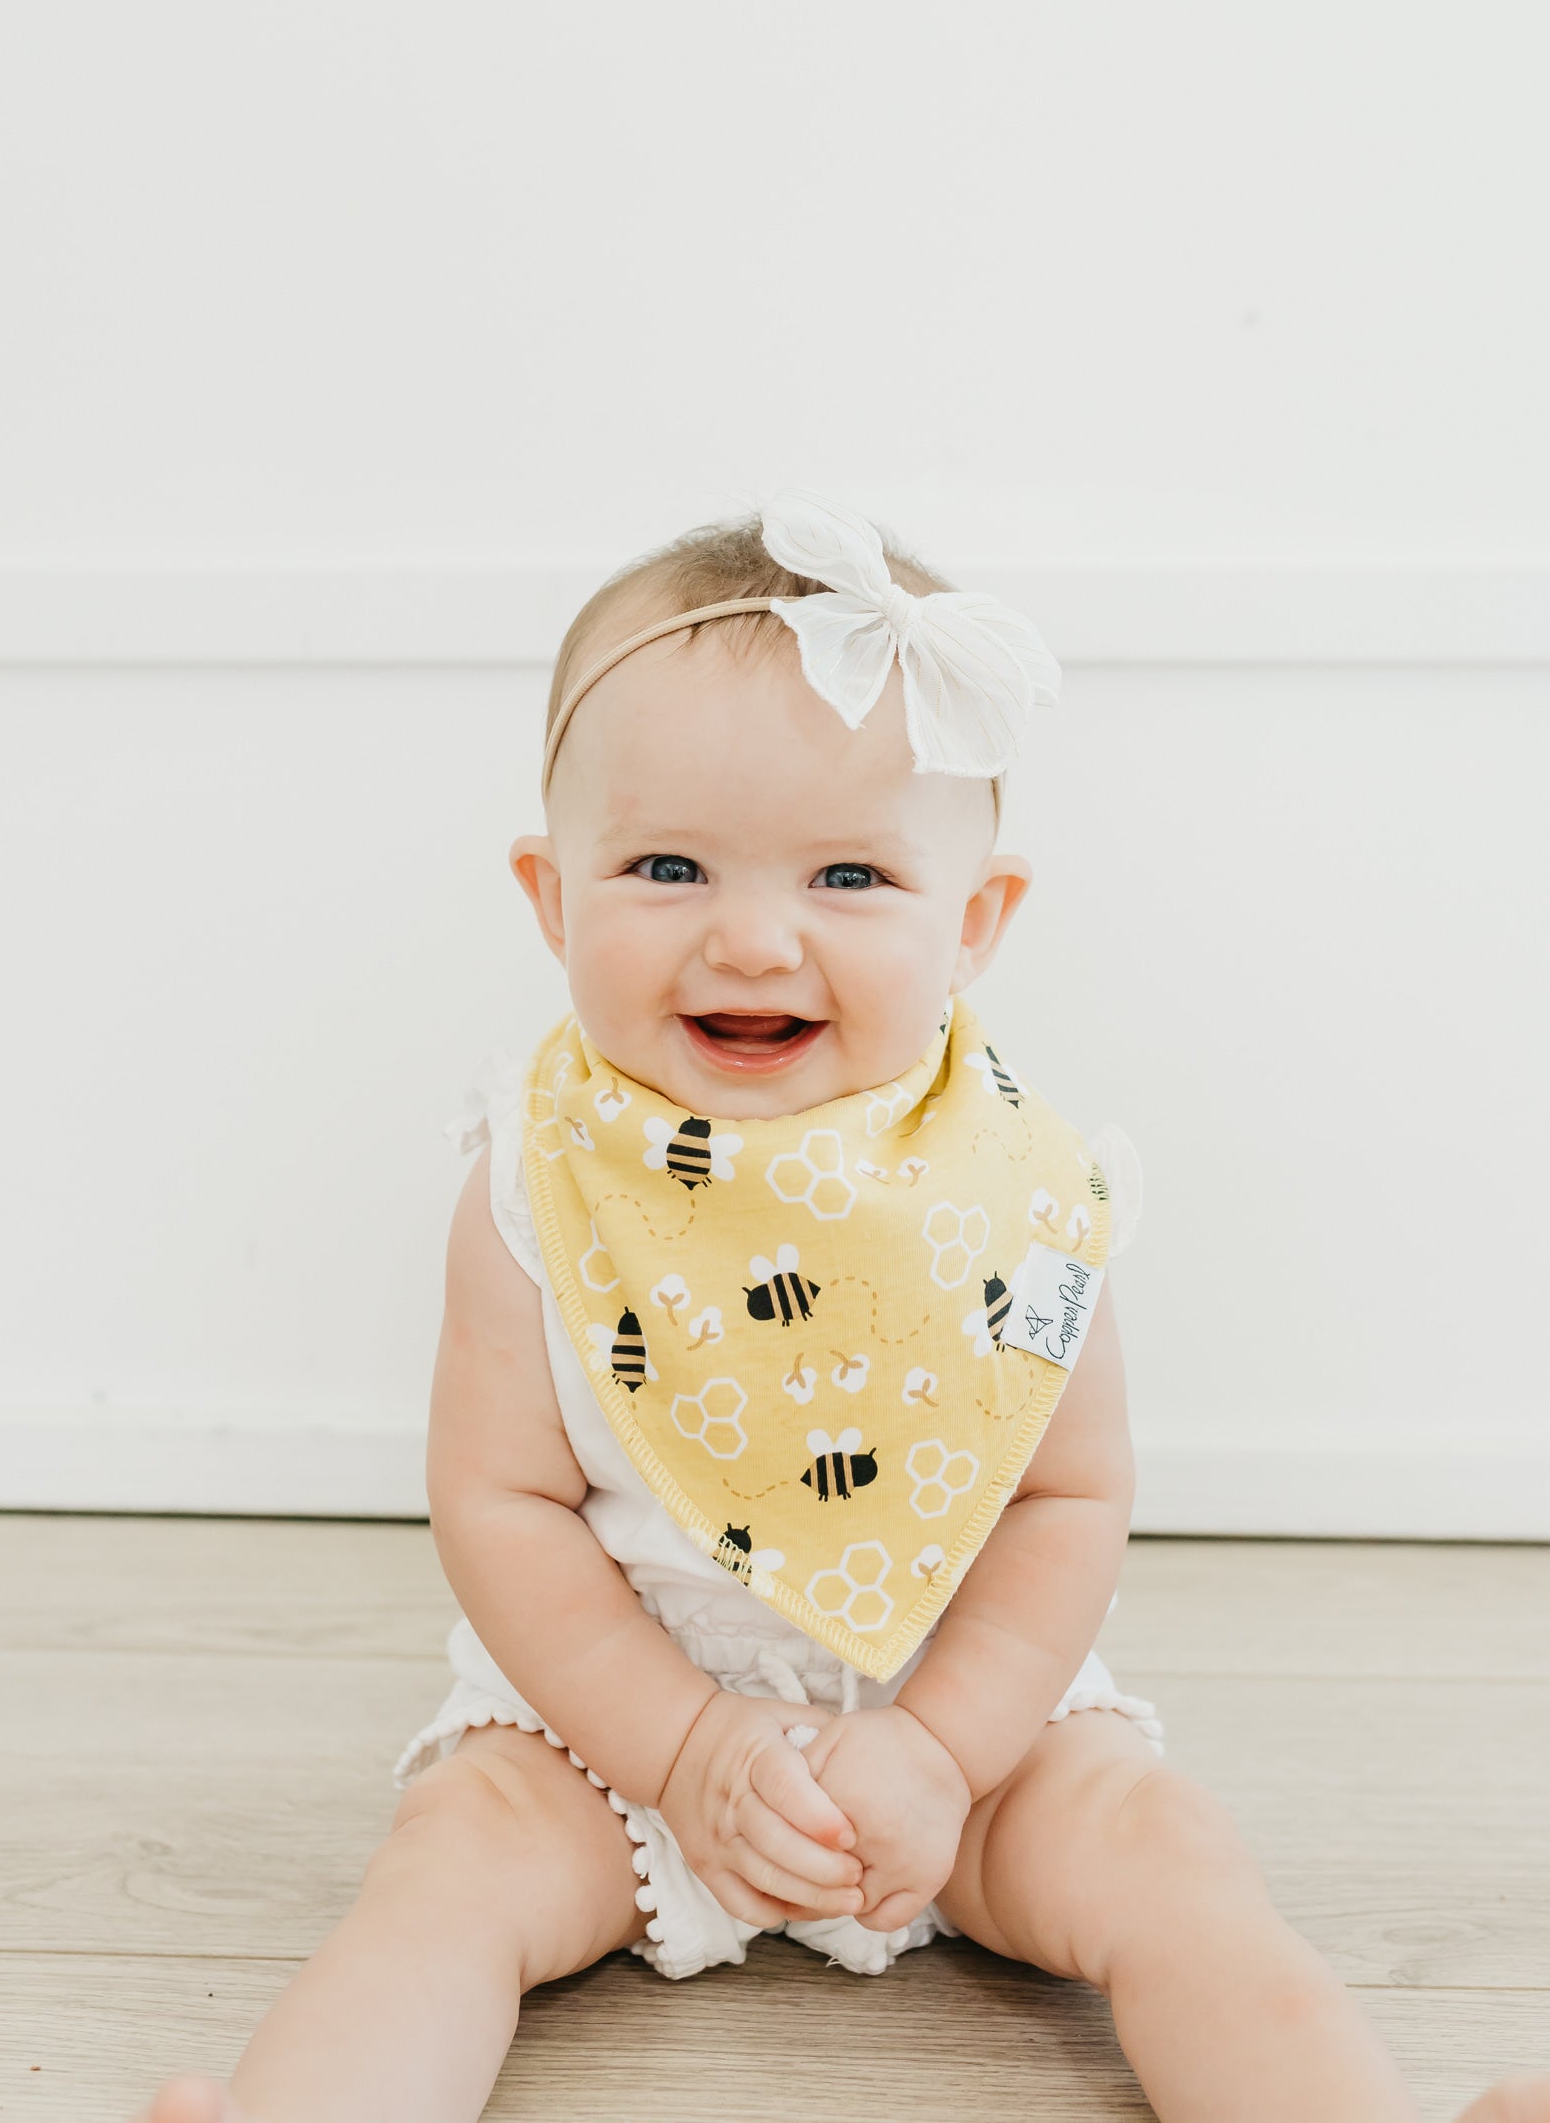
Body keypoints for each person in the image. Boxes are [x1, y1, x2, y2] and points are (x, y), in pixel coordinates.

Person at [139, 496, 1547, 2123]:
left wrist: (944, 1747)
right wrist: (681, 1749)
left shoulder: (1029, 1194)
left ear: (975, 920)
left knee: (1164, 1851)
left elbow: (1066, 1494)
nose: (752, 937)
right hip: (611, 1733)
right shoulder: (539, 1186)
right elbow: (501, 1503)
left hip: (969, 1730)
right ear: (551, 894)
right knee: (452, 1865)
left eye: (851, 874)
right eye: (667, 866)